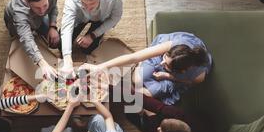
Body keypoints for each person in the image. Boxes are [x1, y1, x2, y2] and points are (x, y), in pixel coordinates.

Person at [79, 32, 212, 105]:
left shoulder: (197, 76)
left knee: (146, 92)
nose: (161, 65)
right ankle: (136, 82)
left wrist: (168, 76)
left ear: (182, 71)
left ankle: (132, 90)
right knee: (139, 78)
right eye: (165, 58)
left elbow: (187, 82)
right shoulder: (173, 46)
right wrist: (99, 67)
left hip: (175, 79)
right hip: (170, 61)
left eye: (165, 65)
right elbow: (134, 57)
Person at [60, 0, 123, 77]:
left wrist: (93, 35)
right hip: (80, 19)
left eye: (92, 4)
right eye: (83, 3)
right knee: (60, 45)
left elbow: (115, 18)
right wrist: (67, 61)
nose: (88, 8)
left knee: (87, 49)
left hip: (100, 19)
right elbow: (67, 27)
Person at [4, 0, 60, 80]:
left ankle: (38, 27)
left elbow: (53, 8)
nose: (42, 11)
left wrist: (53, 26)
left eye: (45, 5)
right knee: (20, 41)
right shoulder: (18, 11)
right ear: (27, 1)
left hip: (37, 21)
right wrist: (42, 63)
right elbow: (26, 38)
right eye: (37, 8)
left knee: (56, 41)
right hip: (14, 22)